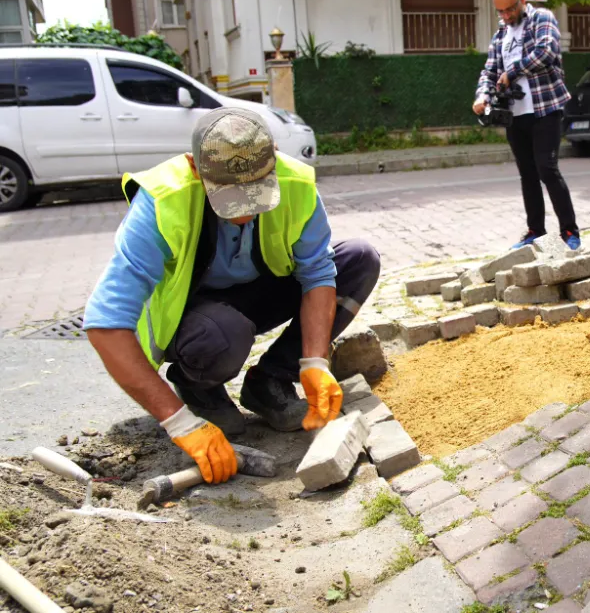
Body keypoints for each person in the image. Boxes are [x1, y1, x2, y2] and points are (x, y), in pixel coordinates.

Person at [84, 108, 381, 482]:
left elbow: (318, 273)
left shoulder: (295, 182)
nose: (243, 213)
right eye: (228, 197)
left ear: (273, 155)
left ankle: (269, 381)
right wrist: (179, 423)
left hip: (257, 291)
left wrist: (315, 363)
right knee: (222, 334)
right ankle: (198, 387)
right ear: (195, 168)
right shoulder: (163, 200)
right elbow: (105, 325)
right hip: (196, 319)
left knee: (358, 260)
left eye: (256, 193)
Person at [474, 0, 582, 250]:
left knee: (548, 168)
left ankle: (569, 231)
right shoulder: (501, 34)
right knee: (527, 174)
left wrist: (512, 72)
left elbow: (546, 52)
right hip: (515, 114)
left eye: (510, 9)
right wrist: (482, 96)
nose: (507, 16)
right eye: (501, 12)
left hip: (545, 108)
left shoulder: (542, 18)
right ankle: (537, 231)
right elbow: (489, 71)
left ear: (521, 0)